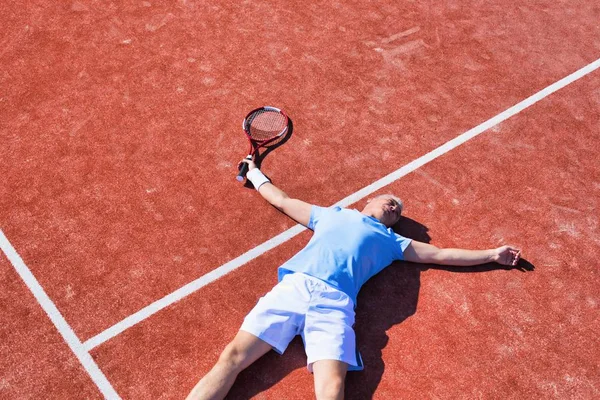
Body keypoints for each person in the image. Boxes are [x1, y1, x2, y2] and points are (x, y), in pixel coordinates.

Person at [186, 159, 521, 400]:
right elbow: (283, 201)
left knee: (332, 389)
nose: (395, 205)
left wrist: (492, 254)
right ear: (368, 201)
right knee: (232, 357)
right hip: (295, 287)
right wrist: (255, 173)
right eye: (390, 200)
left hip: (335, 305)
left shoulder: (393, 243)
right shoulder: (331, 215)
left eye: (399, 210)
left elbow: (442, 254)